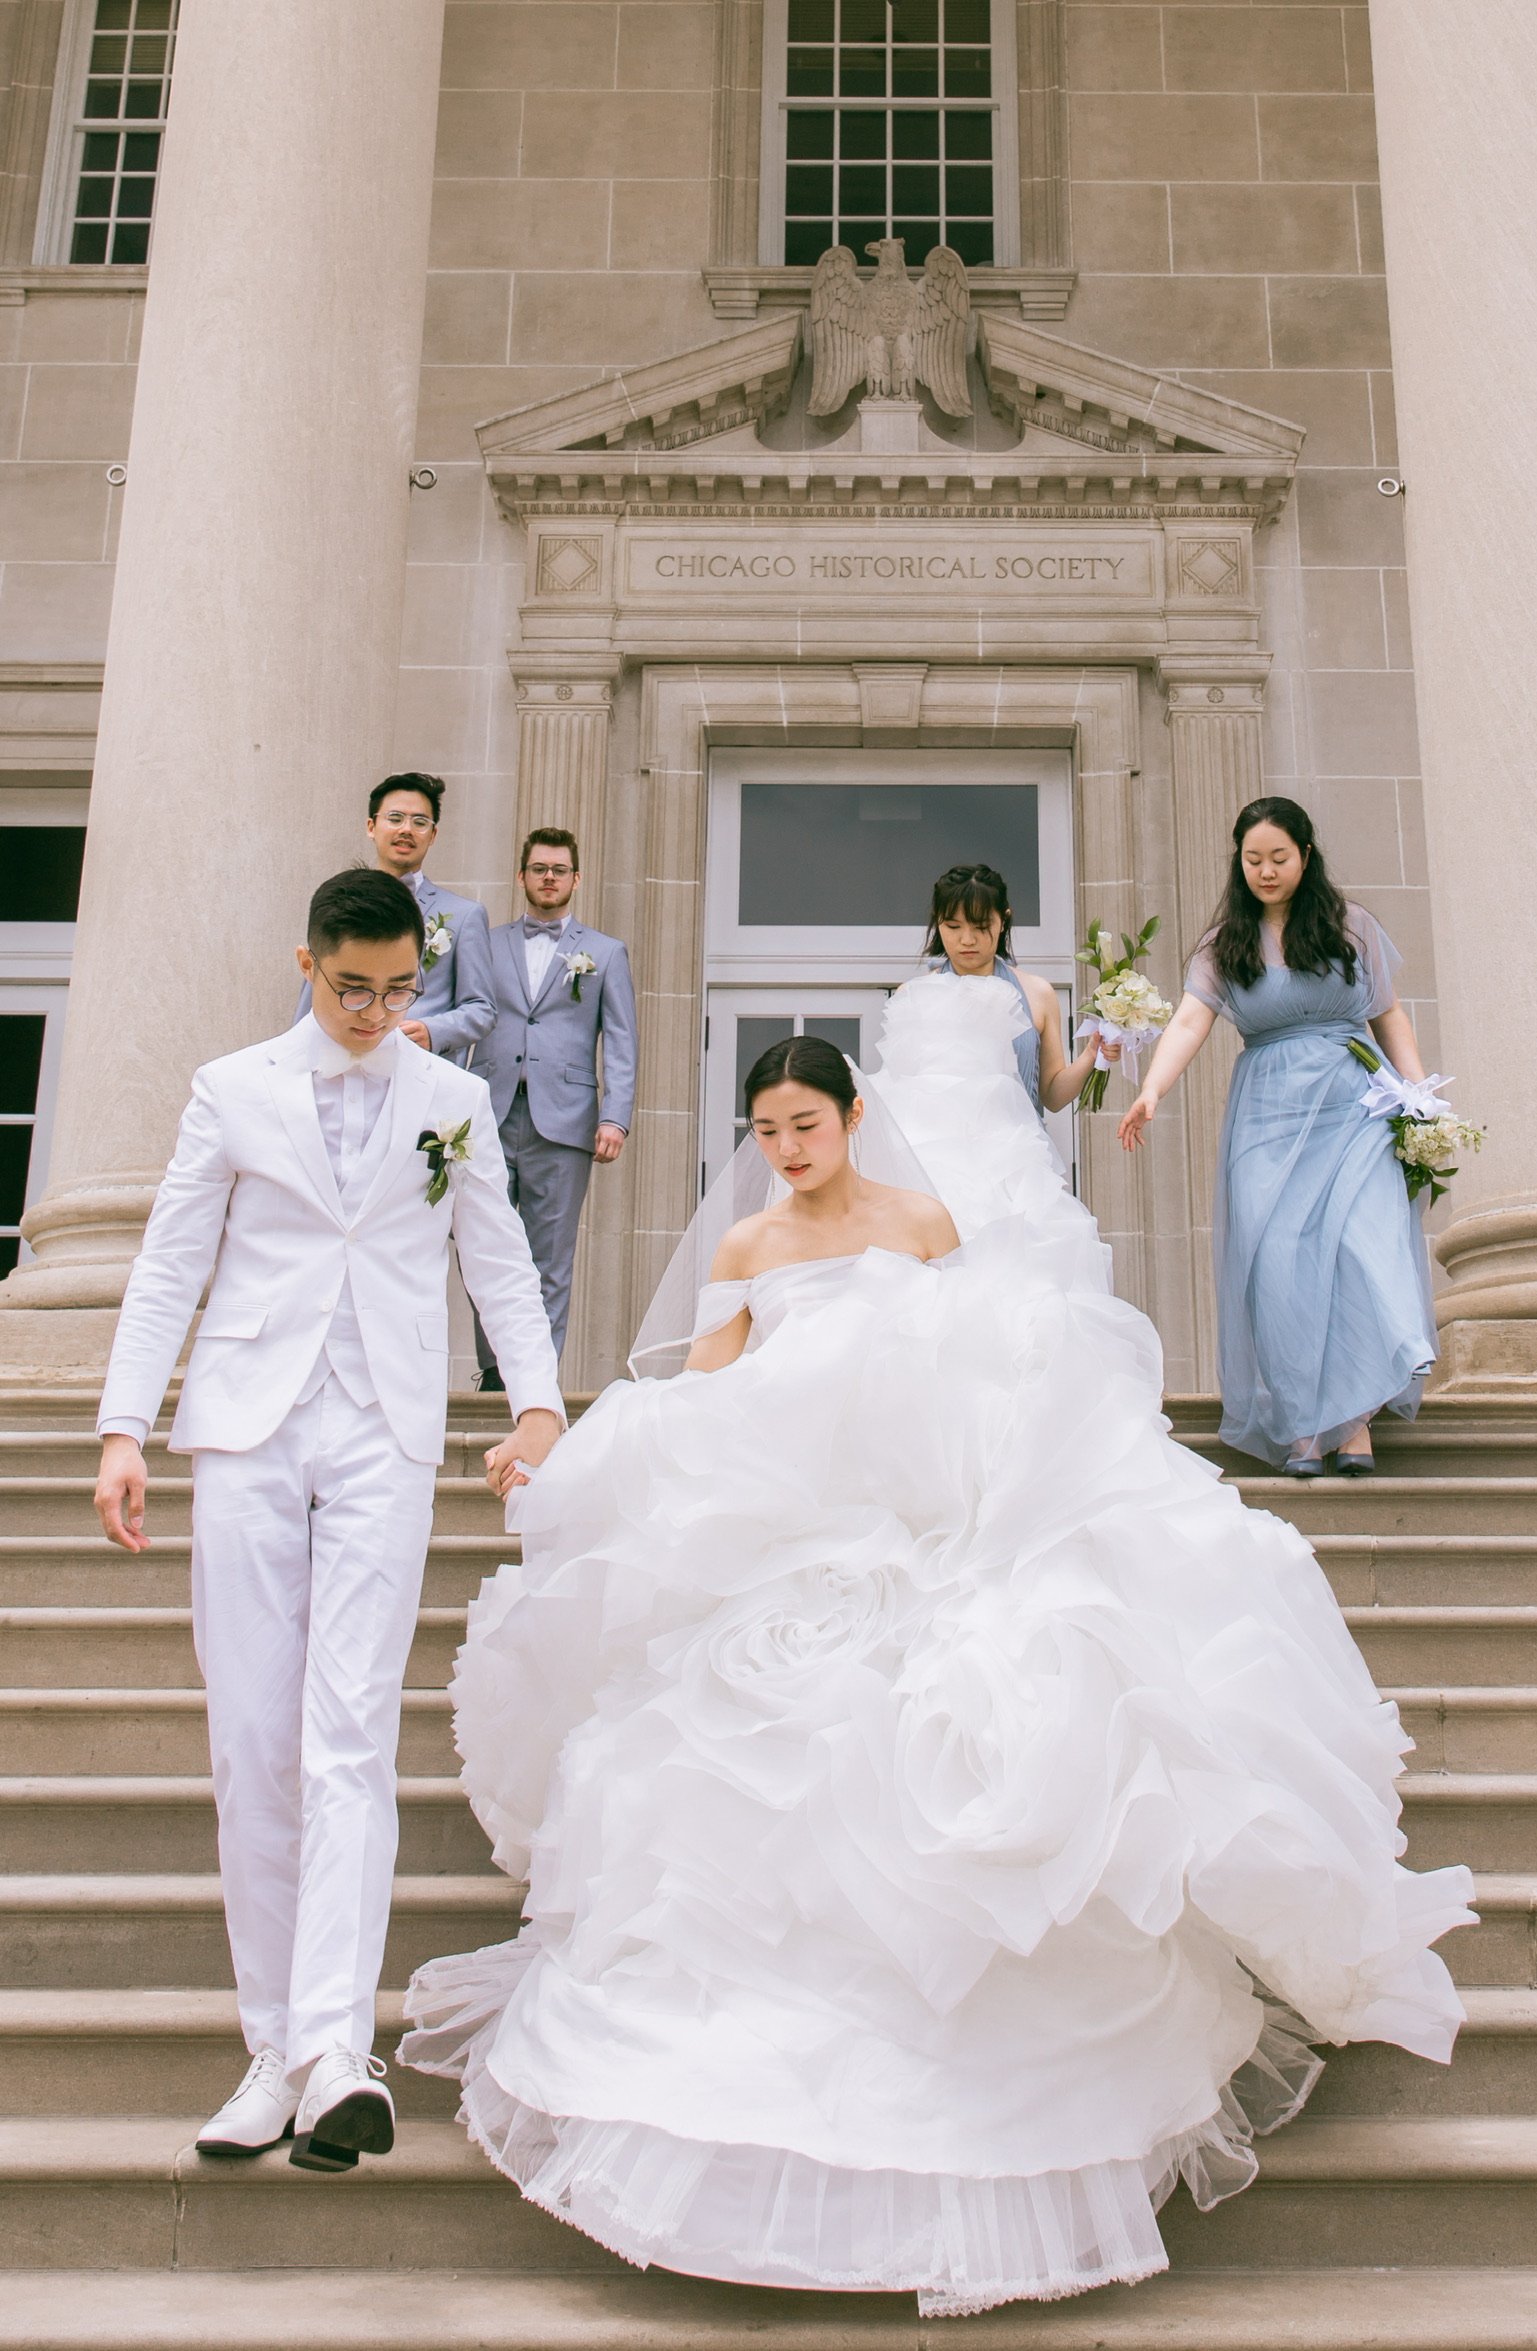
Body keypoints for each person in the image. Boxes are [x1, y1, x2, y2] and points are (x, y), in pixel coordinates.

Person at [402, 990, 1471, 2314]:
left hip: (922, 1521)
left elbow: (989, 1376)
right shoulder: (745, 1240)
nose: (786, 1147)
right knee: (743, 1758)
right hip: (794, 1530)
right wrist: (578, 1454)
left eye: (805, 1123)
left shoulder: (923, 1223)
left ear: (854, 1116)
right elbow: (707, 1393)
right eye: (765, 1130)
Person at [93, 868, 565, 2175]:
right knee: (252, 1738)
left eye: (399, 989)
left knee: (349, 1731)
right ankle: (272, 2048)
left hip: (385, 1424)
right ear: (306, 963)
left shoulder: (451, 1098)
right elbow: (170, 1261)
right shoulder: (231, 1086)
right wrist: (124, 1424)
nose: (374, 1010)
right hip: (248, 1419)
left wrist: (536, 1402)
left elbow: (499, 1257)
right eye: (353, 986)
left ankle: (338, 2049)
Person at [1118, 796, 1439, 1477]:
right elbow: (1188, 1022)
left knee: (1360, 1248)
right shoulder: (1223, 943)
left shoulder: (1350, 927)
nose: (1266, 871)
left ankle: (1354, 1420)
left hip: (1354, 1104)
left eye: (1279, 858)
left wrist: (1421, 1097)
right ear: (1238, 862)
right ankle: (1304, 1427)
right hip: (1267, 1114)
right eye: (1253, 859)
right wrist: (1151, 1089)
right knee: (1279, 1265)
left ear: (1305, 855)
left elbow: (1389, 1016)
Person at [472, 827, 637, 1375]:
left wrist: (615, 1116)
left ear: (576, 879)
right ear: (521, 876)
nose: (549, 878)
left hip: (565, 1124)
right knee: (485, 1252)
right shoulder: (485, 943)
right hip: (488, 1116)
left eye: (559, 870)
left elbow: (621, 1040)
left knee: (550, 1261)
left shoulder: (605, 952)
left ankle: (535, 1381)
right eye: (539, 868)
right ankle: (495, 1377)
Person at [295, 772, 495, 1066]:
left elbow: (482, 1008)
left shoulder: (465, 915)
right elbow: (315, 987)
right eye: (395, 818)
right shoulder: (339, 900)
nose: (406, 829)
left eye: (420, 822)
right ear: (371, 827)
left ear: (433, 834)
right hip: (340, 1059)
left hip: (419, 1063)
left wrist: (432, 1030)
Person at [925, 860, 1116, 1111]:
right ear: (937, 922)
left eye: (981, 926)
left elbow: (1053, 1097)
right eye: (953, 926)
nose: (967, 939)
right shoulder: (916, 995)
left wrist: (1091, 1053)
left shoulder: (1038, 992)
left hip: (1023, 1135)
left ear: (1003, 920)